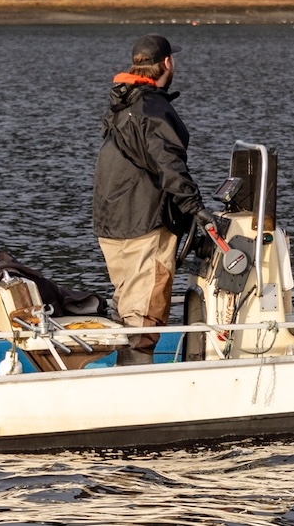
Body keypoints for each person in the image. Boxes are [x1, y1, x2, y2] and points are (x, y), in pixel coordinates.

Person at [93, 34, 212, 365]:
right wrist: (197, 209)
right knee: (146, 314)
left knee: (129, 305)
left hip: (111, 223)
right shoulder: (152, 108)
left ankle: (127, 372)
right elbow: (169, 164)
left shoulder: (122, 104)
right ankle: (136, 387)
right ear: (167, 64)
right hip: (143, 223)